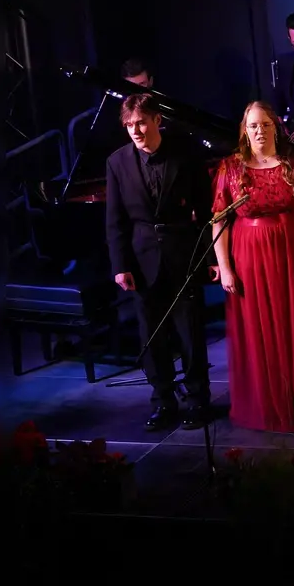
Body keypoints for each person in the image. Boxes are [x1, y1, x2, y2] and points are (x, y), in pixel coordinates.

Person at [213, 102, 294, 432]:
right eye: (253, 125)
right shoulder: (230, 168)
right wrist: (225, 268)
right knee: (261, 331)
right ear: (245, 130)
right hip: (250, 260)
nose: (259, 131)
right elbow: (219, 221)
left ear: (276, 127)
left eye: (265, 125)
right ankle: (273, 406)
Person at [104, 94, 213, 431]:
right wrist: (120, 265)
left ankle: (197, 400)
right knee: (151, 337)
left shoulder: (186, 154)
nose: (135, 130)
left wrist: (209, 257)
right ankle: (162, 401)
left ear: (156, 122)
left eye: (140, 123)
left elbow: (206, 211)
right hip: (141, 260)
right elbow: (115, 219)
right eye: (129, 125)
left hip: (182, 254)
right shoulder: (117, 162)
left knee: (190, 332)